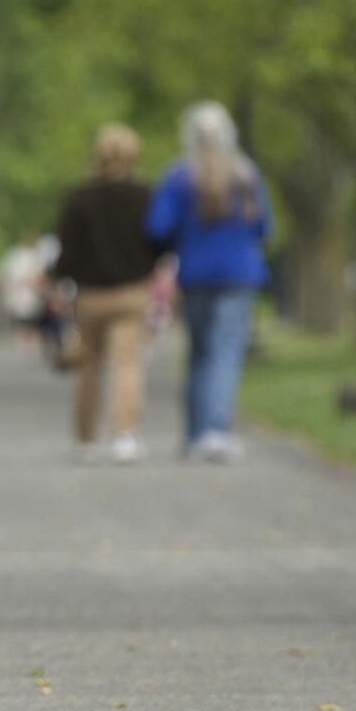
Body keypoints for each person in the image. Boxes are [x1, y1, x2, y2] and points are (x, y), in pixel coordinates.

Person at [146, 101, 271, 463]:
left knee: (200, 353)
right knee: (225, 351)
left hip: (196, 274)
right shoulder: (246, 174)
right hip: (239, 273)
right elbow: (264, 226)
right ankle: (215, 431)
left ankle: (196, 433)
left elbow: (156, 227)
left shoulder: (178, 176)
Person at [53, 123, 159, 463]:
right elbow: (158, 240)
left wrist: (60, 278)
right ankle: (124, 434)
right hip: (131, 291)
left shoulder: (79, 197)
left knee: (89, 364)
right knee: (126, 362)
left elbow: (67, 249)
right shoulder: (144, 196)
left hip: (90, 294)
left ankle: (85, 439)